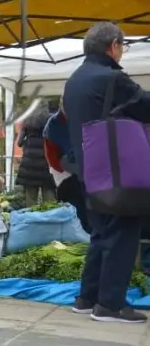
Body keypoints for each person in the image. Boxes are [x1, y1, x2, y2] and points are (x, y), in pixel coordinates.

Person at [64, 22, 150, 323]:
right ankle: (111, 304)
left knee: (101, 233)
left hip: (90, 170)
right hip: (117, 171)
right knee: (123, 231)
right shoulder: (112, 78)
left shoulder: (74, 79)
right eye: (122, 46)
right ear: (113, 45)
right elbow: (145, 106)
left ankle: (87, 298)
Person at [43, 103, 88, 232]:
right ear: (61, 106)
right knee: (72, 205)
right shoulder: (53, 125)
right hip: (64, 173)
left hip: (84, 170)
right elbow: (51, 154)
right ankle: (76, 233)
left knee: (86, 206)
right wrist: (64, 169)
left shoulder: (82, 117)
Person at [15, 103, 57, 206]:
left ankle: (32, 219)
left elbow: (19, 143)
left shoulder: (27, 121)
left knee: (31, 197)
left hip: (29, 164)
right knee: (49, 195)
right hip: (46, 163)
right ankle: (51, 220)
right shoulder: (51, 120)